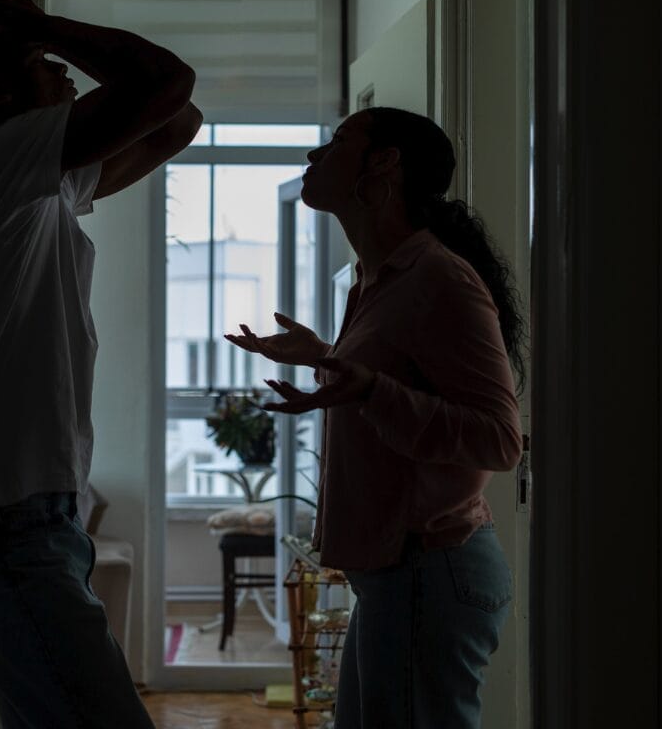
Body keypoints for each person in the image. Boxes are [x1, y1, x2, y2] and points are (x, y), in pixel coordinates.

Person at [0, 0, 201, 728]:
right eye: (48, 67)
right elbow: (166, 84)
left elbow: (177, 122)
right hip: (5, 524)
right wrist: (36, 26)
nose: (70, 78)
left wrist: (34, 39)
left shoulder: (38, 185)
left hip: (28, 520)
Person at [225, 107, 525, 728]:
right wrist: (328, 359)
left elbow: (498, 440)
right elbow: (394, 386)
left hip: (430, 570)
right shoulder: (377, 280)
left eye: (338, 142)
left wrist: (365, 387)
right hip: (399, 576)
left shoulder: (439, 278)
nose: (314, 157)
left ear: (383, 163)